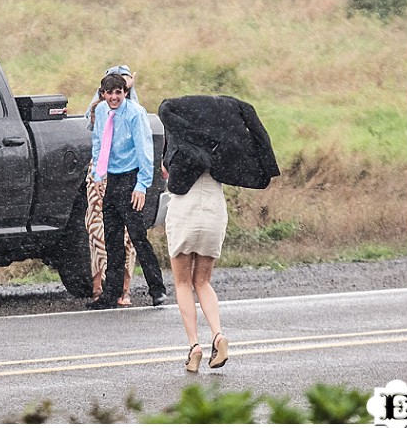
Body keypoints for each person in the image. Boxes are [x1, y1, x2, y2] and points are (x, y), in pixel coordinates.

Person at [158, 95, 280, 371]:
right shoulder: (220, 148)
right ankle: (218, 334)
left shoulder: (182, 142)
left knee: (182, 283)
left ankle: (194, 346)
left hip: (184, 207)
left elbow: (167, 169)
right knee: (203, 282)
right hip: (213, 208)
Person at [86, 72, 167, 310]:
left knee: (138, 236)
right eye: (109, 93)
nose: (113, 97)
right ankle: (111, 293)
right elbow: (99, 142)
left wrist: (142, 185)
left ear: (125, 93)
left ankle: (157, 289)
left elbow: (144, 149)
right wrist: (98, 175)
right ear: (103, 94)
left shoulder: (134, 113)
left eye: (118, 93)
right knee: (112, 239)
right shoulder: (101, 112)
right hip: (111, 178)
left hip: (131, 179)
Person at [83, 65, 140, 305]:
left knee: (127, 233)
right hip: (101, 171)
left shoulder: (132, 109)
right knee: (97, 228)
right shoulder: (100, 107)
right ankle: (100, 285)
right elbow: (90, 123)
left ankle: (123, 288)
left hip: (126, 172)